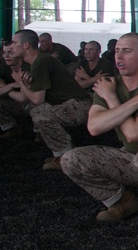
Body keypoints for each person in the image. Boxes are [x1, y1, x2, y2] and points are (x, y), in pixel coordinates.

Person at [60, 33, 138, 236]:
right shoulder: (108, 86)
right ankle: (122, 201)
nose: (119, 56)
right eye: (117, 50)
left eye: (127, 51)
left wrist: (114, 102)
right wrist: (124, 98)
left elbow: (134, 133)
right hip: (130, 157)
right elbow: (94, 128)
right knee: (71, 159)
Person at [7, 29, 92, 171]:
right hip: (78, 103)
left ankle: (65, 156)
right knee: (36, 111)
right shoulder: (39, 61)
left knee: (40, 114)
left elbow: (37, 100)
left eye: (15, 43)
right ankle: (65, 150)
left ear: (26, 45)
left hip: (79, 106)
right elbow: (28, 97)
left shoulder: (40, 62)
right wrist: (26, 84)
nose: (11, 46)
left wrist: (20, 83)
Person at [0, 41, 31, 139]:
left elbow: (22, 98)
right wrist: (11, 85)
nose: (6, 56)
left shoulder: (28, 68)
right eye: (4, 53)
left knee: (36, 106)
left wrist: (4, 86)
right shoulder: (4, 68)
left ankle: (40, 131)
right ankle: (12, 128)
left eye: (11, 52)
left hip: (32, 103)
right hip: (17, 101)